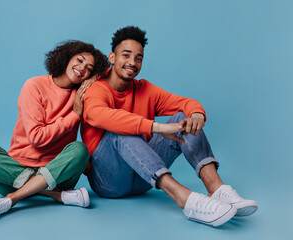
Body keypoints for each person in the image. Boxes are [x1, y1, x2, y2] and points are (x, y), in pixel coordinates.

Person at [81, 26, 258, 227]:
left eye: (138, 58)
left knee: (183, 118)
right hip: (108, 182)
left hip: (143, 178)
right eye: (126, 55)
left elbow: (186, 103)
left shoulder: (144, 89)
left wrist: (197, 115)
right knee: (120, 131)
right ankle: (185, 198)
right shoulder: (96, 89)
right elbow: (100, 115)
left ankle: (216, 189)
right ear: (112, 57)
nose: (132, 62)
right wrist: (158, 128)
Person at [0, 40, 108, 221]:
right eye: (79, 60)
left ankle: (13, 198)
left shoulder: (82, 93)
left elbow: (113, 73)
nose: (82, 68)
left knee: (80, 150)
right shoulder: (34, 86)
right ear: (67, 57)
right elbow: (37, 138)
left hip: (58, 172)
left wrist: (96, 77)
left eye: (89, 68)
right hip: (16, 172)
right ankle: (55, 195)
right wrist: (74, 115)